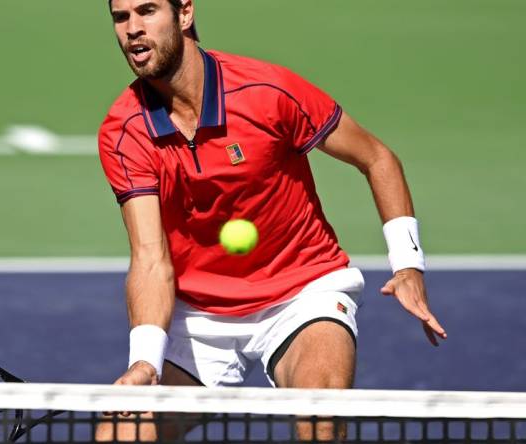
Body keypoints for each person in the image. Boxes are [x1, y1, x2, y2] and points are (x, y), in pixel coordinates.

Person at [96, 0, 448, 440]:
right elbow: (150, 259)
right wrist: (145, 360)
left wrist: (408, 264)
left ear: (184, 13)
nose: (132, 29)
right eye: (120, 17)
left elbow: (377, 158)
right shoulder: (124, 129)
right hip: (200, 313)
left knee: (320, 418)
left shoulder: (267, 91)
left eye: (147, 11)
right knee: (122, 434)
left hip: (300, 292)